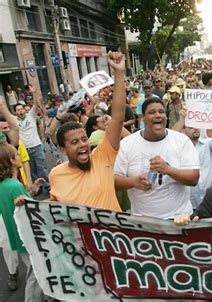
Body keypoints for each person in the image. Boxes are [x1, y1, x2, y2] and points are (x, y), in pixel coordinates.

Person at [47, 51, 126, 211]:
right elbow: (56, 212)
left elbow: (117, 116)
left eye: (84, 139)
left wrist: (119, 72)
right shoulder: (56, 175)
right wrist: (26, 204)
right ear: (63, 149)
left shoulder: (102, 157)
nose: (83, 145)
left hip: (114, 235)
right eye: (74, 142)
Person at [114, 97, 200, 219]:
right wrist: (133, 182)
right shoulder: (127, 144)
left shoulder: (181, 141)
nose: (158, 115)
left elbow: (193, 178)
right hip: (143, 222)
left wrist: (167, 169)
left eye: (161, 111)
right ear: (142, 117)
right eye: (152, 112)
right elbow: (114, 181)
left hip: (179, 219)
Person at [0, 143, 44, 300]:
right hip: (26, 238)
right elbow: (29, 211)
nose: (20, 157)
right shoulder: (15, 186)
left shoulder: (4, 186)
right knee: (37, 272)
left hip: (15, 238)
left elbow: (17, 205)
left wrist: (31, 192)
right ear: (12, 161)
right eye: (17, 155)